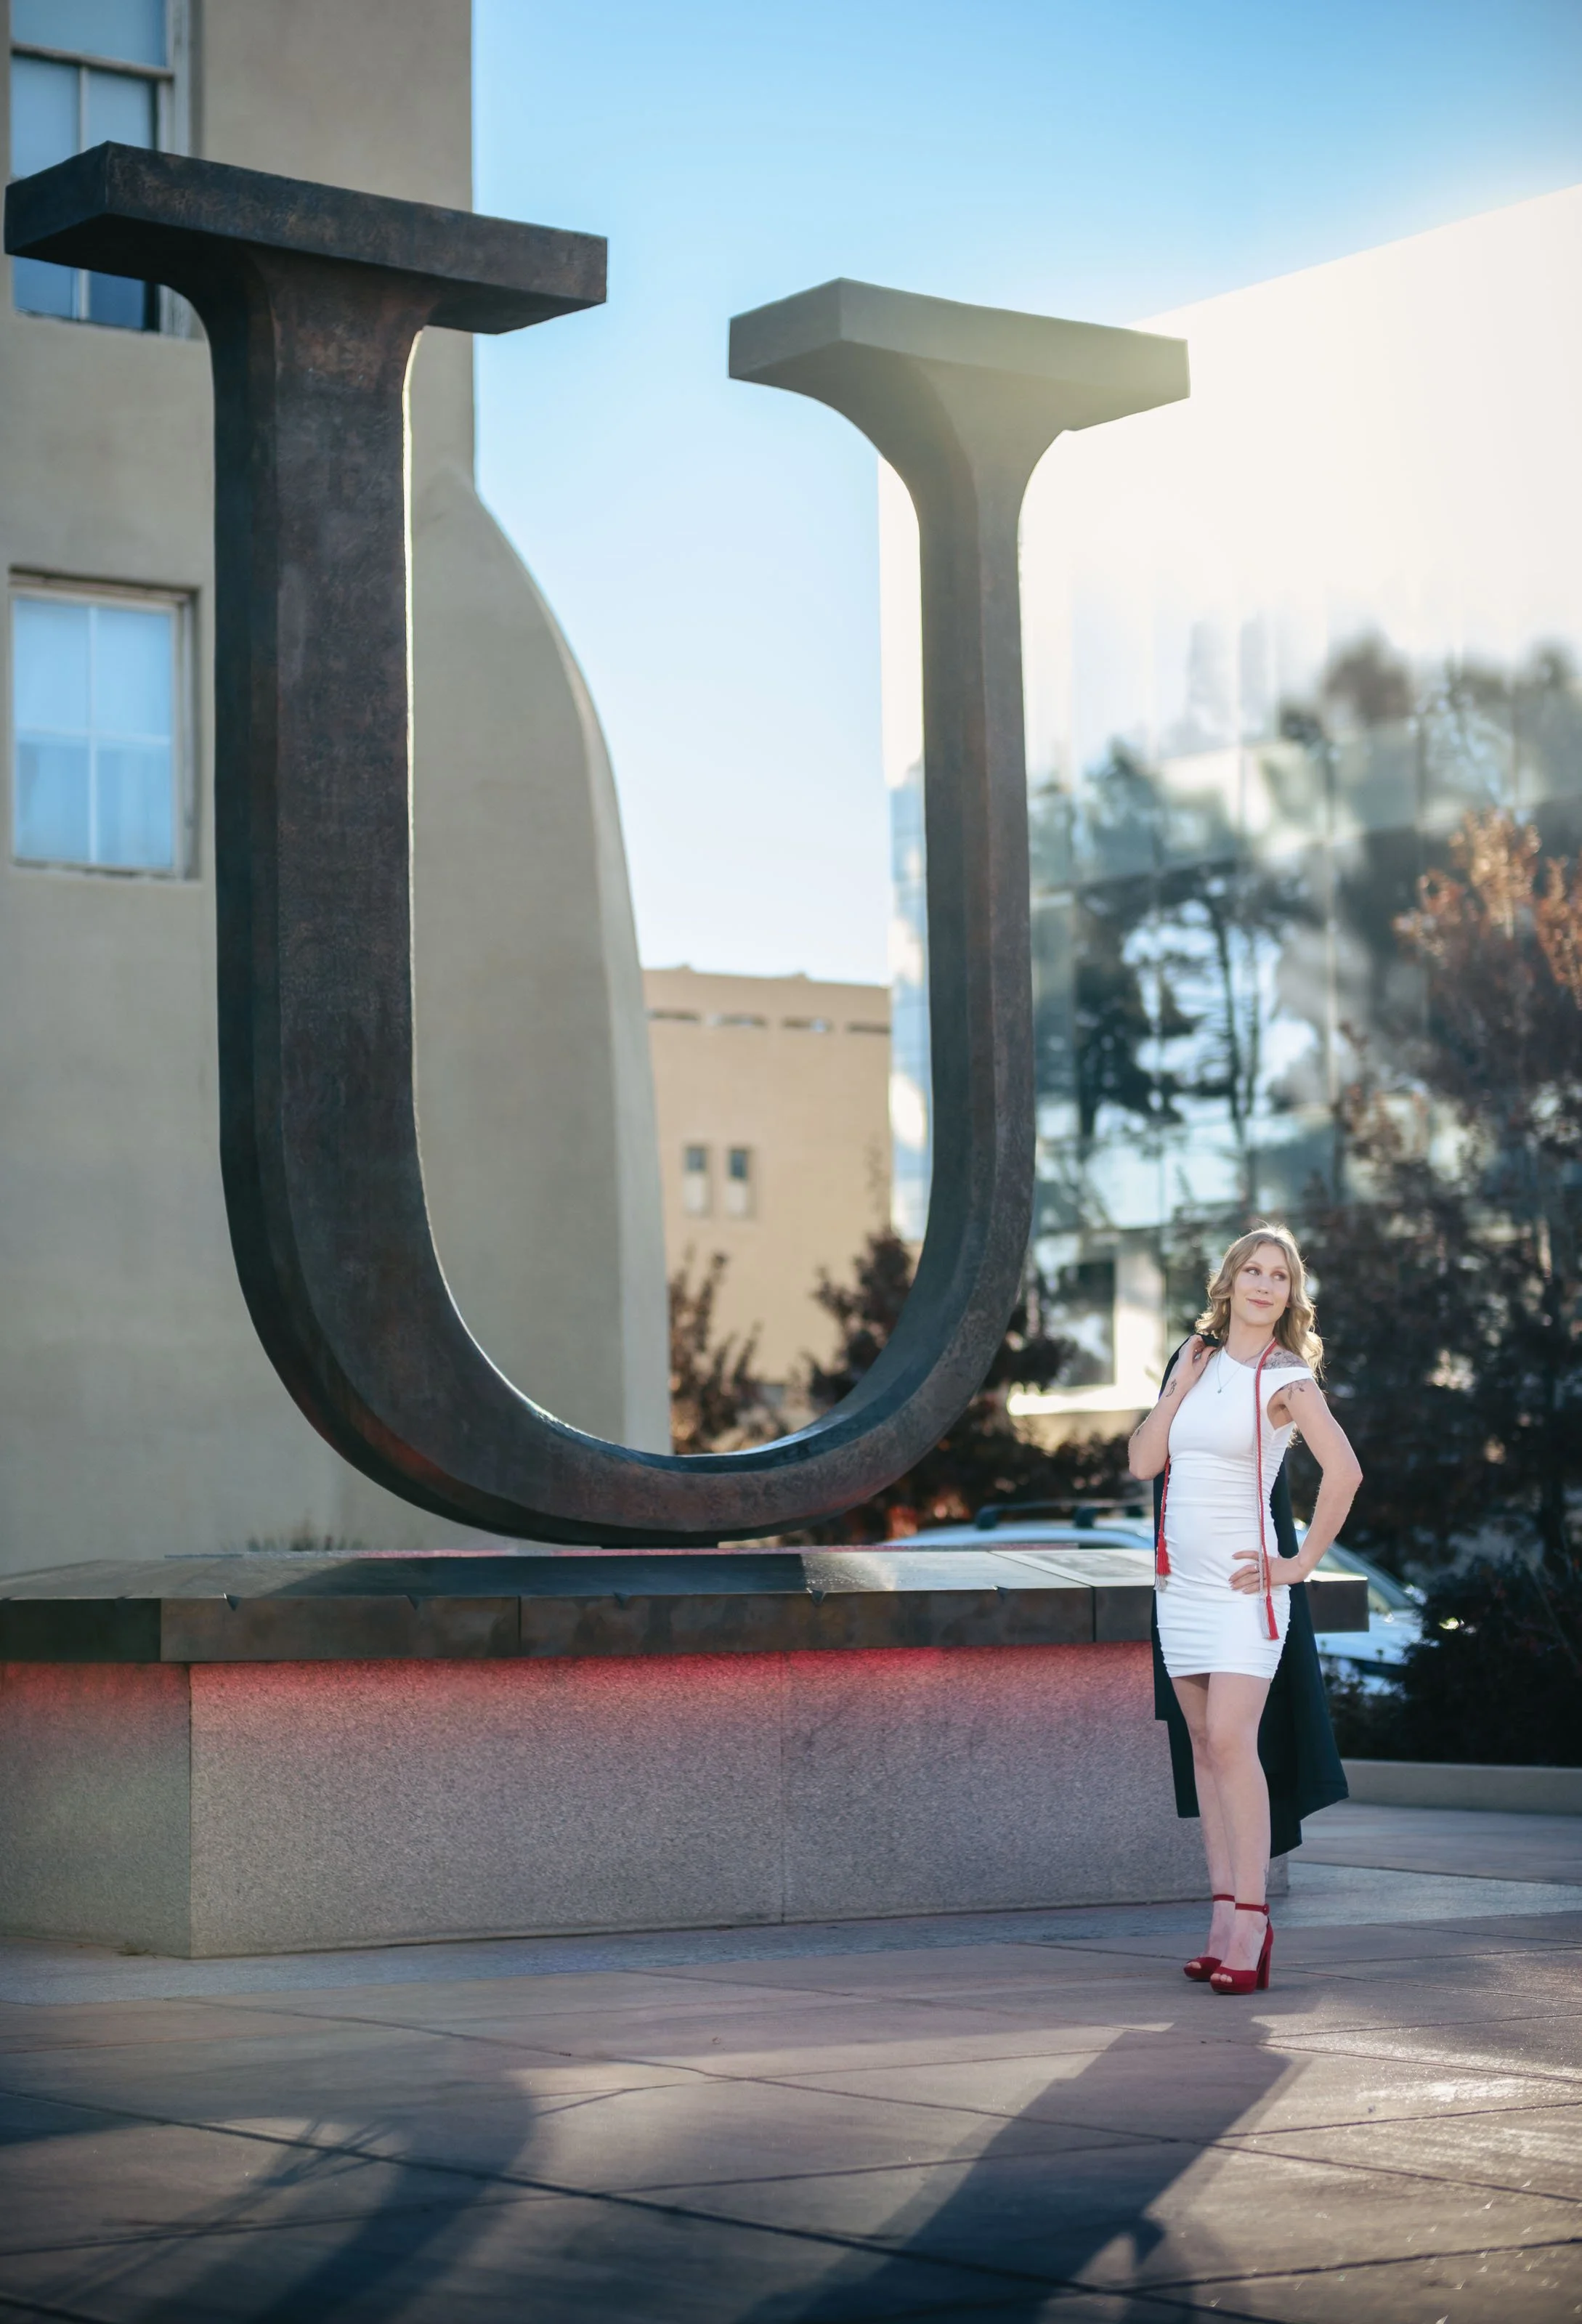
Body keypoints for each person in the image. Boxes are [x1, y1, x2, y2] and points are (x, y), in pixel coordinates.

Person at [1128, 1225, 1362, 1994]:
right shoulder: (1195, 1362)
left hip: (1244, 1595)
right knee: (1203, 1745)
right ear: (1228, 1282)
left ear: (1290, 1294)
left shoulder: (1284, 1374)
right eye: (1252, 1270)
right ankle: (1224, 1920)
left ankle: (1255, 1920)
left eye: (1280, 1275)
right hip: (1181, 1593)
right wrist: (1175, 1392)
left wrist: (1298, 1564)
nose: (1265, 1284)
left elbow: (1346, 1471)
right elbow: (1143, 1460)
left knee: (1232, 1740)